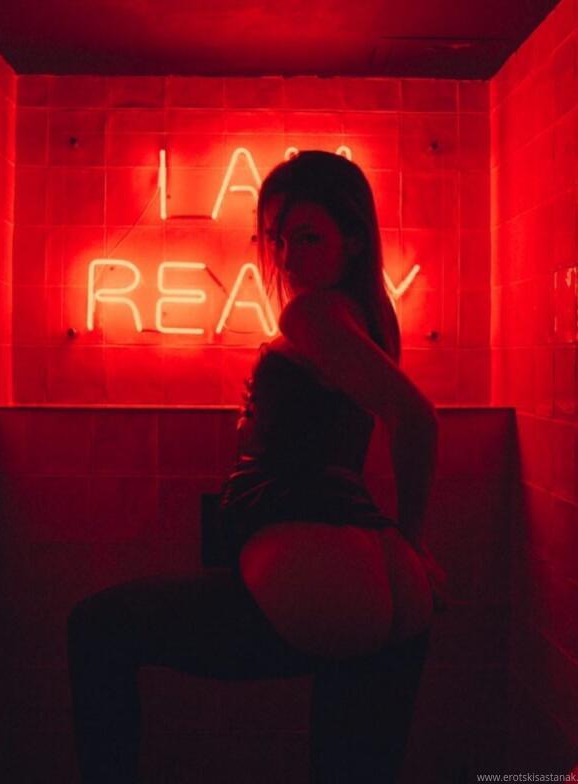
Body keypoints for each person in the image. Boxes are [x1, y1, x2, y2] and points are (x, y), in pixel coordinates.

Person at [67, 150, 446, 783]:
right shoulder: (368, 319)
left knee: (97, 628)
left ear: (354, 240)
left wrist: (415, 535)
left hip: (322, 581)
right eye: (277, 238)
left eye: (308, 237)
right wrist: (408, 544)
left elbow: (418, 419)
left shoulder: (310, 314)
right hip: (382, 588)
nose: (288, 257)